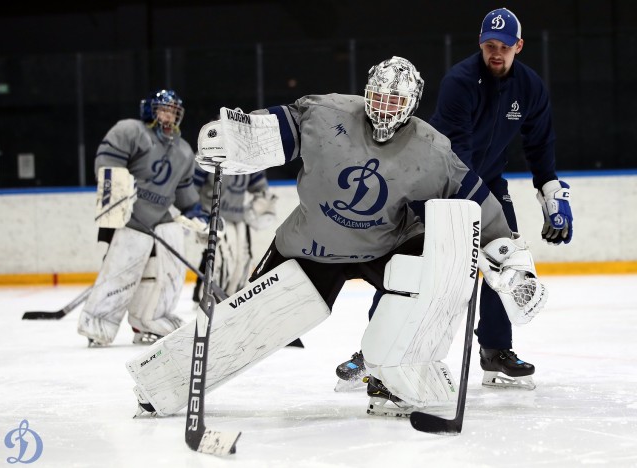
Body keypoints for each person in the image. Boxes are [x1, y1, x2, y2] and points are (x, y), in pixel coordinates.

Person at [204, 56, 538, 411]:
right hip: (306, 248)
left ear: (412, 104)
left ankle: (390, 375)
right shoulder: (326, 112)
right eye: (379, 97)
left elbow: (477, 204)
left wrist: (510, 259)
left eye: (396, 101)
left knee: (429, 275)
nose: (385, 107)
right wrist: (235, 141)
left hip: (381, 248)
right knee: (248, 325)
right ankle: (176, 375)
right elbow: (270, 131)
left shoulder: (432, 149)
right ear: (367, 92)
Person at [336, 8, 573, 390]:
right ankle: (374, 351)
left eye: (504, 47)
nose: (496, 53)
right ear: (481, 45)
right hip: (439, 187)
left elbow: (540, 144)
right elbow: (456, 158)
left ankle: (495, 350)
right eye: (489, 46)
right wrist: (468, 216)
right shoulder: (461, 82)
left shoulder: (530, 88)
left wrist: (551, 193)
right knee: (411, 265)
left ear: (519, 47)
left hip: (490, 184)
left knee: (505, 256)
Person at [77, 89, 209, 347]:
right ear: (150, 110)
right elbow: (107, 164)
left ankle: (150, 320)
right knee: (122, 273)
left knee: (168, 271)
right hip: (128, 220)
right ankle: (98, 322)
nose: (168, 115)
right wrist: (118, 192)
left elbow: (184, 192)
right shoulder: (131, 132)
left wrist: (197, 215)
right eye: (163, 109)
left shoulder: (182, 149)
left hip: (160, 219)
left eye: (173, 111)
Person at [191, 168, 278, 300]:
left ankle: (232, 298)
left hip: (237, 217)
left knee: (243, 262)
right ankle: (209, 297)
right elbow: (191, 187)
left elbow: (258, 184)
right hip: (212, 216)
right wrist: (194, 213)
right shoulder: (208, 152)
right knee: (221, 261)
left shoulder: (247, 154)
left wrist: (263, 196)